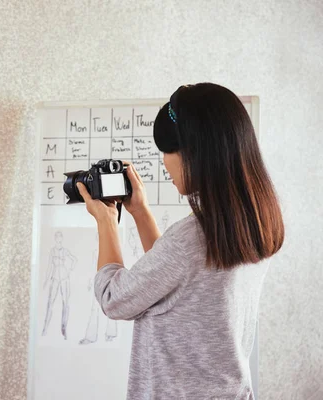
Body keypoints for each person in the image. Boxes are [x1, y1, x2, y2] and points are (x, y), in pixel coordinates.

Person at [76, 83, 284, 399]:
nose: (164, 163)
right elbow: (182, 282)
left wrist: (106, 221)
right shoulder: (253, 223)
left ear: (194, 152)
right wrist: (141, 213)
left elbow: (113, 298)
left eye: (167, 151)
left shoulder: (192, 239)